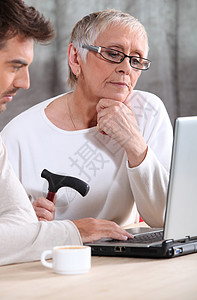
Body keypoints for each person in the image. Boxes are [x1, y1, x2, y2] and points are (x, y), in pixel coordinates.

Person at [2, 9, 173, 230]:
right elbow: (7, 233)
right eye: (112, 54)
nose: (126, 68)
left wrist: (135, 145)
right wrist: (25, 221)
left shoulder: (148, 111)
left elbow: (165, 218)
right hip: (54, 257)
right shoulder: (18, 136)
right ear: (75, 58)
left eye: (136, 59)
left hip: (127, 256)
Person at [0, 1, 132, 266]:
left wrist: (31, 228)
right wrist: (74, 231)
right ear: (75, 58)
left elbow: (18, 221)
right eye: (15, 66)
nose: (25, 82)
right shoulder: (17, 133)